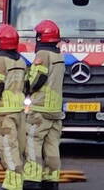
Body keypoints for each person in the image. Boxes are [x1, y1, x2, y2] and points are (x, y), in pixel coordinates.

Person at [0, 24, 28, 190]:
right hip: (19, 111)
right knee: (19, 147)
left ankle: (14, 183)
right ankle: (12, 182)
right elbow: (26, 85)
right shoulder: (20, 61)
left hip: (3, 113)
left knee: (8, 147)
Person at [24, 20, 64, 190]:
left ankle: (32, 180)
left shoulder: (43, 55)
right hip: (55, 110)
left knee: (33, 142)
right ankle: (51, 180)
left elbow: (37, 78)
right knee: (52, 146)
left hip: (40, 109)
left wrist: (26, 85)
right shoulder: (58, 56)